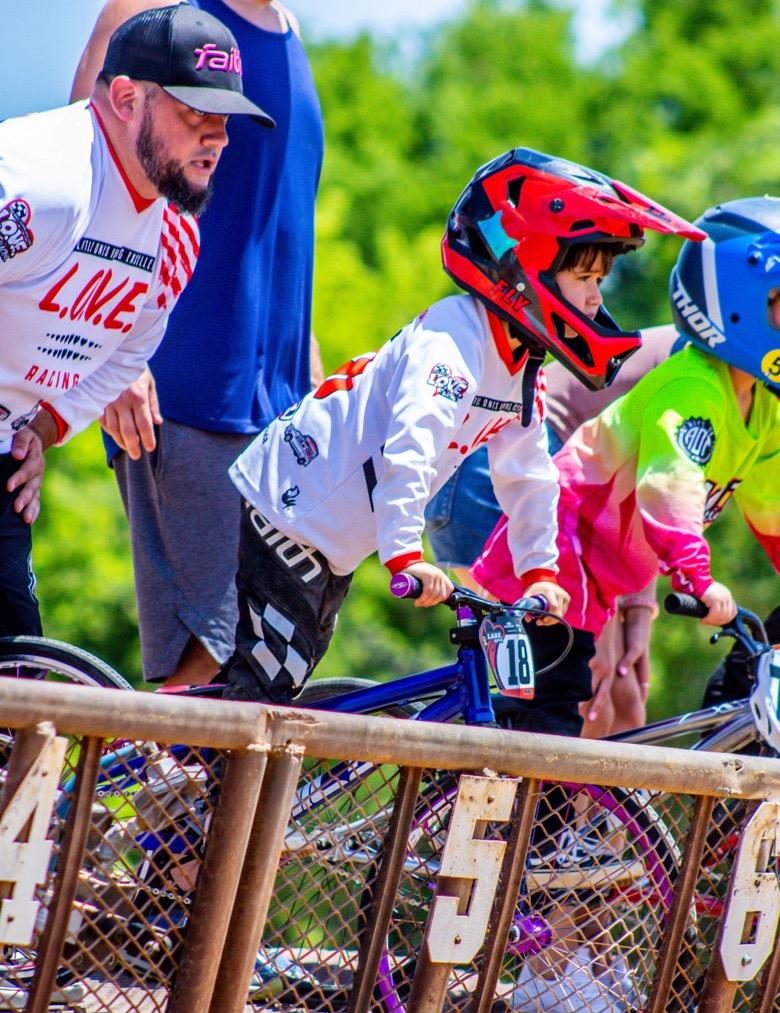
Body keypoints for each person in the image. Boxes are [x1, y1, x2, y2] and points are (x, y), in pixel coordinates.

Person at [217, 147, 701, 710]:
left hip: (333, 535)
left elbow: (529, 476)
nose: (597, 297)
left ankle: (185, 771)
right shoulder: (454, 340)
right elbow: (411, 448)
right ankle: (177, 774)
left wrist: (539, 572)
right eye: (584, 275)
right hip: (292, 509)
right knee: (265, 689)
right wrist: (405, 554)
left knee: (281, 684)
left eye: (601, 279)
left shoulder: (520, 360)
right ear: (525, 269)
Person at [0, 2, 273, 640]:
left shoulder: (175, 238)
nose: (219, 137)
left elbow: (123, 358)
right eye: (195, 112)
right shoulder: (41, 182)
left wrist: (43, 425)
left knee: (28, 690)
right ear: (125, 97)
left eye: (226, 117)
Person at [72, 0, 323, 686]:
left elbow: (277, 234)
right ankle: (131, 795)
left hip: (277, 409)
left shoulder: (289, 31)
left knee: (265, 665)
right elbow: (89, 170)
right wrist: (113, 352)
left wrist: (318, 390)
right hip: (181, 388)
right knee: (203, 665)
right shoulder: (161, 11)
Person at [473, 196, 780, 736]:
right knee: (564, 710)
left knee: (605, 708)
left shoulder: (765, 408)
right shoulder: (694, 388)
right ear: (739, 300)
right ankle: (519, 820)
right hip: (556, 538)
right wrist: (698, 578)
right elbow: (669, 489)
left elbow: (772, 507)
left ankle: (539, 815)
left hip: (598, 566)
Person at [425, 325, 679, 736]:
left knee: (624, 705)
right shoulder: (715, 360)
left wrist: (638, 608)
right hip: (512, 473)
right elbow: (646, 489)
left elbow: (642, 498)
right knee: (588, 702)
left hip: (535, 490)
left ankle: (541, 798)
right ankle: (511, 798)